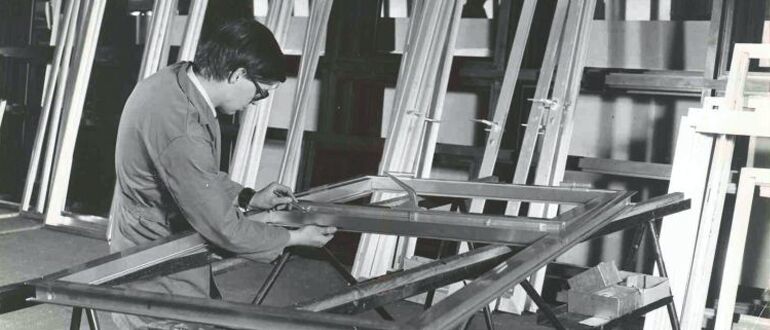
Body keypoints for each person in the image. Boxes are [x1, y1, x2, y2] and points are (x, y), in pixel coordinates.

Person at [109, 18, 335, 329]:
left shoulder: (176, 81)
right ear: (237, 74)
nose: (256, 103)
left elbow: (194, 176)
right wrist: (293, 237)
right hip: (156, 268)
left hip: (151, 244)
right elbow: (223, 227)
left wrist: (249, 198)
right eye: (260, 93)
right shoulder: (182, 126)